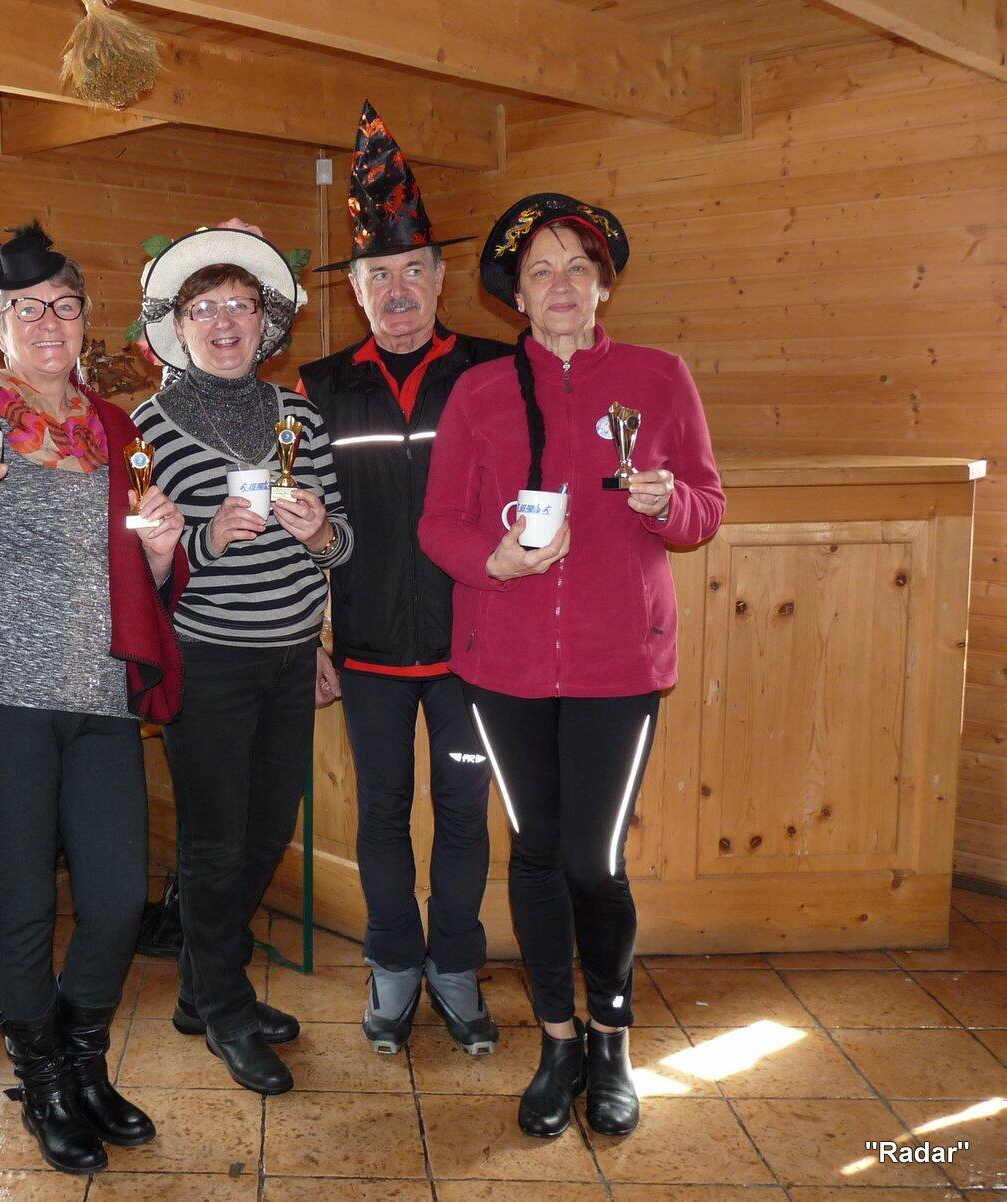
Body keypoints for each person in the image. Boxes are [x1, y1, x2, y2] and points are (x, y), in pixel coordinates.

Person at [420, 193, 725, 1139]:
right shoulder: (477, 392)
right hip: (502, 662)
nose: (561, 285)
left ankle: (611, 1038)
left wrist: (667, 504)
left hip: (619, 666)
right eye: (541, 271)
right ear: (515, 294)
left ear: (603, 287)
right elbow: (439, 525)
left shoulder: (658, 377)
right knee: (537, 851)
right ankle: (557, 1041)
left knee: (594, 860)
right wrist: (495, 563)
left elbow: (706, 508)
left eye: (579, 269)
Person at [0, 221, 188, 1174]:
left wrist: (159, 556)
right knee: (21, 904)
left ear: (85, 318)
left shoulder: (117, 431)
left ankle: (81, 1056)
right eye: (27, 309)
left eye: (65, 305)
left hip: (99, 699)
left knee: (116, 899)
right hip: (0, 705)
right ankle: (46, 1080)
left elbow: (140, 577)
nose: (49, 322)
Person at [300, 100, 512, 1057]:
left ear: (439, 278)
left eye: (412, 271)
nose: (396, 290)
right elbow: (298, 526)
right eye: (377, 275)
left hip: (476, 649)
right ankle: (393, 964)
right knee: (382, 814)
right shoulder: (317, 388)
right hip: (370, 651)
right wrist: (308, 638)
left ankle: (456, 967)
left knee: (464, 812)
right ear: (355, 290)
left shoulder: (493, 374)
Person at [133, 224, 353, 1095]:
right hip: (207, 661)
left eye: (242, 305)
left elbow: (340, 543)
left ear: (266, 324)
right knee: (217, 843)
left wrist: (322, 533)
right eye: (205, 308)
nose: (225, 323)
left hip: (291, 656)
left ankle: (200, 991)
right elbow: (138, 559)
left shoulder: (301, 417)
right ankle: (226, 1007)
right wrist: (206, 538)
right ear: (178, 325)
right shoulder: (148, 427)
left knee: (265, 833)